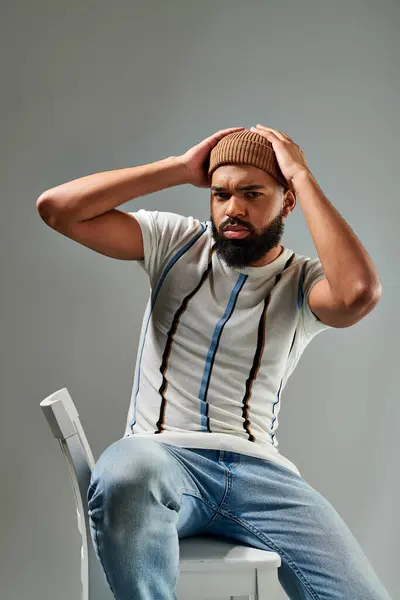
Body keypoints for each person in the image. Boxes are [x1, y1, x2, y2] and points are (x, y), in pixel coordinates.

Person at [37, 125, 391, 599]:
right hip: (163, 459)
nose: (233, 208)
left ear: (286, 202)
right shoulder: (174, 242)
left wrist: (301, 177)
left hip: (262, 477)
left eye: (252, 193)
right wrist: (181, 169)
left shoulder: (303, 281)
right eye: (221, 194)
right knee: (125, 472)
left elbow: (357, 293)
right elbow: (57, 209)